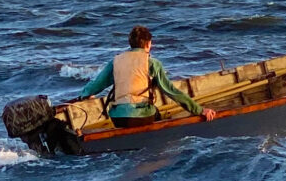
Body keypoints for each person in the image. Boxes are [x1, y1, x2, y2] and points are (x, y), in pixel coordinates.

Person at [70, 26, 217, 127]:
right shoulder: (152, 63)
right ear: (148, 44)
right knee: (157, 114)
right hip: (140, 117)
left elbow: (96, 85)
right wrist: (199, 110)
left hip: (118, 118)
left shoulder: (115, 61)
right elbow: (171, 91)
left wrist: (84, 95)